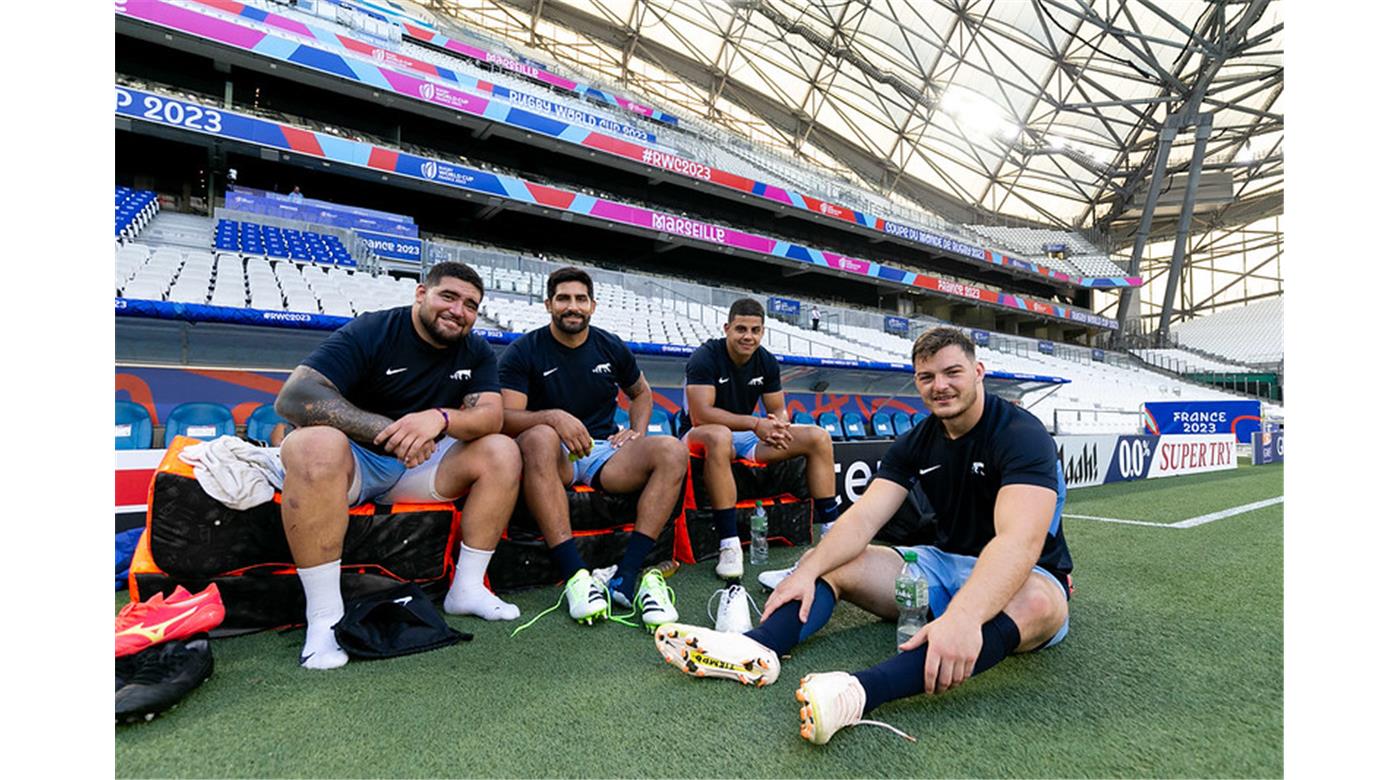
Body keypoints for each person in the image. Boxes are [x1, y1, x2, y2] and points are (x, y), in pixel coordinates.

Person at [654, 326, 1072, 745]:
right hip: (942, 566)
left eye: (952, 373)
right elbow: (862, 519)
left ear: (979, 371)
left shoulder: (1022, 434)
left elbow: (1019, 542)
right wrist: (808, 568)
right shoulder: (917, 441)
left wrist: (965, 616)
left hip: (1028, 574)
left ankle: (856, 695)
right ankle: (756, 648)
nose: (939, 386)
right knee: (837, 561)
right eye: (927, 378)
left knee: (1036, 603)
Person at [273, 261, 523, 670]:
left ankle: (468, 588)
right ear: (421, 293)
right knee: (311, 443)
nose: (459, 310)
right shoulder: (373, 329)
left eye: (470, 305)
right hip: (354, 461)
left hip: (418, 466)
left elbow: (491, 416)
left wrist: (439, 419)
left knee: (502, 449)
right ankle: (323, 618)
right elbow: (295, 396)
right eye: (449, 296)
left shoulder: (475, 350)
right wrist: (386, 431)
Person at [499, 267, 688, 629]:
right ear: (548, 305)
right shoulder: (524, 350)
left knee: (672, 450)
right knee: (539, 436)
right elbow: (506, 418)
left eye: (580, 299)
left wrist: (636, 430)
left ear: (593, 305)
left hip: (603, 451)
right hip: (554, 455)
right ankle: (576, 578)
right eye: (564, 298)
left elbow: (642, 392)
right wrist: (553, 417)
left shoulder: (609, 344)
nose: (573, 306)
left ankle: (627, 575)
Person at [680, 298, 840, 584]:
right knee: (719, 436)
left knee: (818, 437)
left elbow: (777, 407)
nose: (748, 336)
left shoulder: (765, 359)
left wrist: (779, 424)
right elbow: (701, 415)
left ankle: (832, 532)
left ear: (763, 332)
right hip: (699, 435)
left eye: (755, 330)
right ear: (727, 328)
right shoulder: (705, 356)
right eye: (741, 329)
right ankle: (729, 544)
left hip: (744, 434)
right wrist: (756, 423)